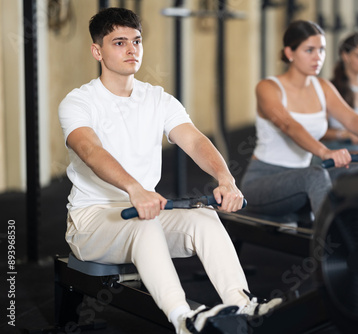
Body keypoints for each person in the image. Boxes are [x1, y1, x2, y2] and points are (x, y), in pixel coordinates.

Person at [58, 7, 280, 334]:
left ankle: (244, 305)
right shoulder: (78, 102)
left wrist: (226, 179)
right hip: (92, 220)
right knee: (145, 225)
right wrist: (135, 188)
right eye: (119, 42)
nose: (131, 49)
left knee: (204, 217)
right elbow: (90, 151)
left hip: (143, 211)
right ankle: (183, 319)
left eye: (136, 41)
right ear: (97, 51)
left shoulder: (158, 99)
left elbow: (195, 141)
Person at [240, 20, 358, 222]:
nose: (317, 57)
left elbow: (352, 119)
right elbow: (289, 126)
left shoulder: (323, 87)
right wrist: (325, 152)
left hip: (304, 175)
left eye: (322, 50)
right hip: (263, 182)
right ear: (290, 53)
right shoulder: (268, 88)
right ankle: (333, 246)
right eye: (309, 50)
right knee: (316, 174)